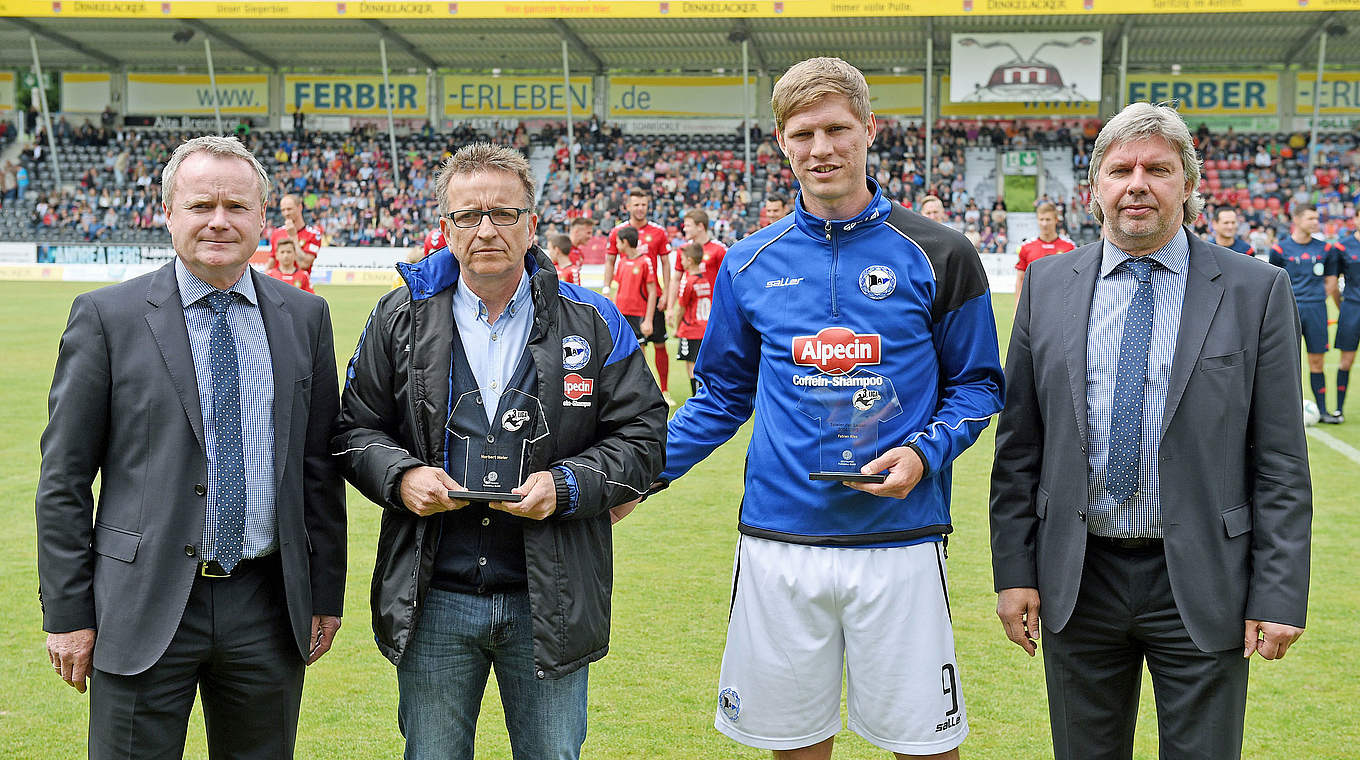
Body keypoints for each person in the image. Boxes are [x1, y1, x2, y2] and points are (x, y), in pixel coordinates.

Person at [633, 57, 1004, 760]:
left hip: (899, 539)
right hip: (779, 542)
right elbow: (719, 396)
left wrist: (924, 453)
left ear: (870, 130)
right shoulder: (747, 262)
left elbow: (980, 385)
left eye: (837, 129)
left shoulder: (941, 252)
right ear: (781, 141)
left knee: (926, 746)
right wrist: (642, 477)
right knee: (793, 744)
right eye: (803, 133)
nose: (822, 148)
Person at [989, 102, 1311, 760]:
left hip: (1202, 576)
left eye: (1158, 169)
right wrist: (1014, 572)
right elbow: (1019, 448)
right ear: (1096, 186)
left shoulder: (1256, 290)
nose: (1138, 182)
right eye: (1121, 169)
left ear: (1188, 184)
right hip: (1079, 577)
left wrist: (1278, 592)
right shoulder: (1047, 284)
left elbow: (1280, 461)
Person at [332, 142, 666, 760]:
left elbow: (645, 436)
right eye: (468, 215)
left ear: (532, 224)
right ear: (445, 227)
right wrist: (402, 477)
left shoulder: (591, 320)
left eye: (504, 214)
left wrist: (566, 487)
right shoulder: (397, 318)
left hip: (552, 596)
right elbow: (353, 431)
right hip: (432, 596)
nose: (486, 229)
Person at [36, 135, 346, 759]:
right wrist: (68, 612)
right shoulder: (107, 317)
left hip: (265, 600)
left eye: (237, 206)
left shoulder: (305, 317)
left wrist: (323, 593)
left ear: (263, 217)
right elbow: (64, 479)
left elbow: (318, 468)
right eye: (201, 204)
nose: (219, 221)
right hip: (141, 602)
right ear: (169, 213)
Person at [1270, 204, 1342, 423]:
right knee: (1285, 363)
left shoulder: (1326, 250)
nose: (1315, 222)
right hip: (1288, 310)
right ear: (1297, 220)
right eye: (1311, 218)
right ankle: (1282, 415)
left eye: (1316, 218)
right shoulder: (1280, 250)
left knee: (1317, 362)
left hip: (1316, 310)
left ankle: (1323, 411)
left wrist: (1315, 298)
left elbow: (1331, 281)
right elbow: (1272, 282)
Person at [604, 187, 673, 404]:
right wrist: (607, 289)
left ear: (648, 205)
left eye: (643, 204)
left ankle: (664, 389)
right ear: (628, 206)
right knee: (634, 348)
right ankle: (638, 390)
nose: (640, 208)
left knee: (660, 344)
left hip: (653, 299)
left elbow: (665, 263)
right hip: (629, 304)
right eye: (636, 204)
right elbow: (609, 261)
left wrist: (667, 295)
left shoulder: (658, 232)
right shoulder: (618, 232)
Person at [1014, 201, 1076, 309]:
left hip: (1061, 305)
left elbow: (1076, 280)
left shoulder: (1070, 247)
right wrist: (1017, 307)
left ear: (1056, 220)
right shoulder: (1026, 247)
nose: (1044, 223)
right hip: (1034, 305)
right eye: (1041, 219)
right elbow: (1020, 279)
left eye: (1048, 219)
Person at [664, 208, 727, 312]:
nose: (684, 229)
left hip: (712, 310)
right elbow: (676, 280)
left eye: (688, 226)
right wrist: (670, 308)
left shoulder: (719, 249)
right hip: (688, 310)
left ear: (700, 226)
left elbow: (725, 282)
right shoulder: (683, 249)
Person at [672, 242, 711, 397]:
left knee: (691, 366)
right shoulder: (705, 280)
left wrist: (676, 327)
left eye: (682, 258)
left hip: (691, 329)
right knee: (702, 365)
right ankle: (704, 396)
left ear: (689, 260)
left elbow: (681, 307)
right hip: (705, 327)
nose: (680, 261)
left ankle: (697, 398)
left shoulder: (687, 281)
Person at [610, 226, 660, 347]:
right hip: (621, 313)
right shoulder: (621, 262)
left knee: (639, 352)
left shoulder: (645, 262)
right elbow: (617, 288)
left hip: (638, 314)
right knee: (621, 349)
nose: (616, 245)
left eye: (617, 242)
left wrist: (648, 320)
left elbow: (652, 292)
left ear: (625, 242)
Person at [1330, 225, 1360, 421]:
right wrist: (1342, 306)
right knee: (1346, 361)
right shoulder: (1342, 247)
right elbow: (1333, 283)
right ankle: (1339, 409)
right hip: (1352, 308)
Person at [270, 193, 323, 271]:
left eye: (289, 209)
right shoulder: (277, 233)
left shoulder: (314, 235)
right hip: (278, 282)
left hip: (298, 282)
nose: (286, 213)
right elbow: (272, 262)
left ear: (300, 207)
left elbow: (305, 264)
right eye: (283, 210)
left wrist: (293, 237)